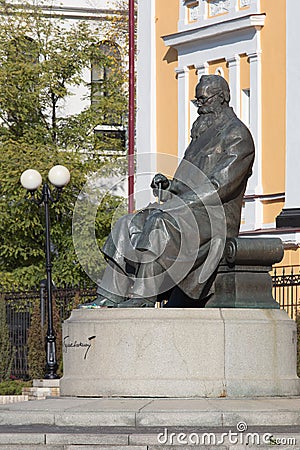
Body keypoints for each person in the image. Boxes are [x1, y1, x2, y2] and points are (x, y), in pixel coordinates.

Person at [80, 75, 255, 308]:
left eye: (204, 99)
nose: (199, 106)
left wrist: (177, 204)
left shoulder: (237, 135)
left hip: (215, 218)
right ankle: (110, 295)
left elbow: (217, 187)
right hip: (186, 211)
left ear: (222, 98)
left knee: (161, 223)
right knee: (126, 223)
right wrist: (170, 186)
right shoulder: (200, 135)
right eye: (197, 101)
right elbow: (188, 182)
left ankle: (143, 297)